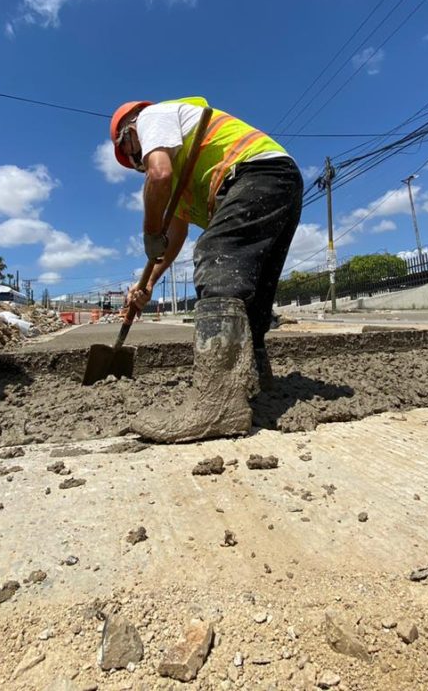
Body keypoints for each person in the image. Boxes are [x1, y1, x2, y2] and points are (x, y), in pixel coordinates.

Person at [110, 97, 303, 442]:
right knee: (252, 299)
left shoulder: (152, 115)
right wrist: (150, 284)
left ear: (130, 131)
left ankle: (218, 405)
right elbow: (176, 236)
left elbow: (158, 174)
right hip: (282, 182)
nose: (139, 163)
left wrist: (150, 231)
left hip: (255, 172)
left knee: (216, 254)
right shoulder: (187, 176)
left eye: (133, 155)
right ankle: (256, 386)